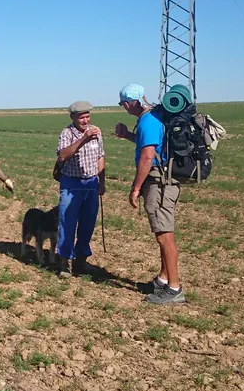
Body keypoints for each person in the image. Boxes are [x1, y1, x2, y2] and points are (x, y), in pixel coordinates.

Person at [114, 84, 186, 305]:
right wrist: (127, 135)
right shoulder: (153, 116)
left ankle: (174, 289)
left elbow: (147, 157)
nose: (124, 107)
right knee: (163, 234)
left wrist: (136, 187)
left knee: (165, 236)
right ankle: (163, 280)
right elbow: (151, 145)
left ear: (130, 103)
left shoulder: (148, 121)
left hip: (159, 183)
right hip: (163, 181)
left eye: (124, 104)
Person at [55, 100, 106, 277]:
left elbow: (100, 156)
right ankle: (64, 262)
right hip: (71, 184)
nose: (85, 120)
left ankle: (81, 260)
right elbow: (63, 155)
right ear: (73, 118)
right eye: (81, 117)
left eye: (87, 116)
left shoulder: (96, 131)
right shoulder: (67, 133)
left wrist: (102, 182)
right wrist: (84, 139)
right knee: (67, 224)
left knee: (87, 224)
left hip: (91, 183)